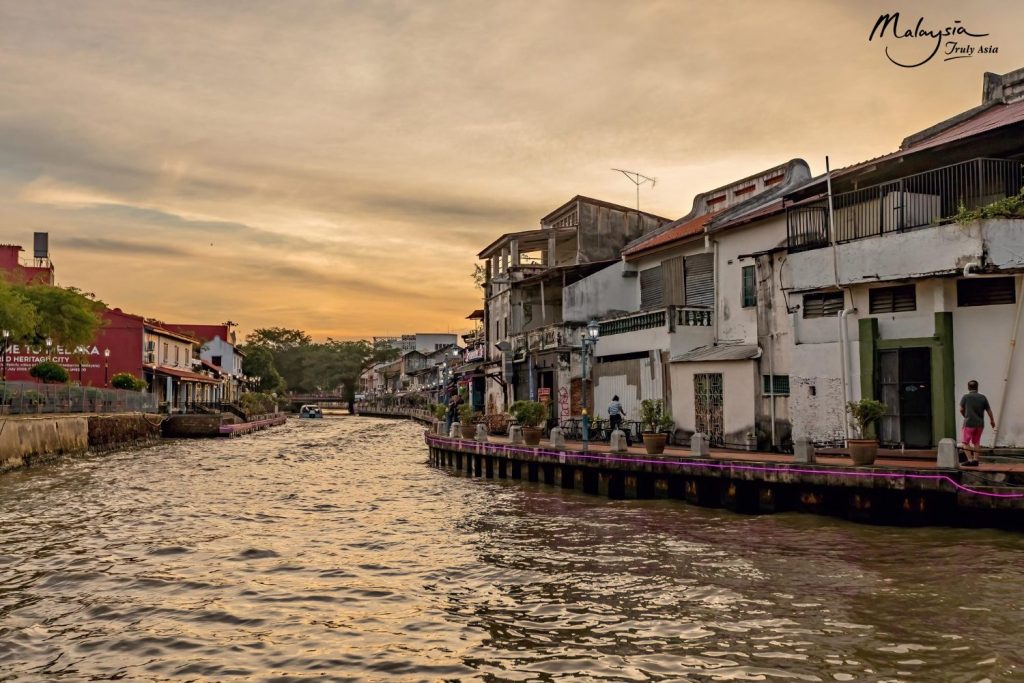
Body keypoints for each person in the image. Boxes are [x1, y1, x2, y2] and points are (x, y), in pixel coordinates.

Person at [959, 379, 995, 467]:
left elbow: (961, 409)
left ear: (968, 387)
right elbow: (989, 410)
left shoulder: (965, 397)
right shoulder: (982, 397)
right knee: (976, 442)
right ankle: (976, 460)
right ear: (977, 387)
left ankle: (970, 460)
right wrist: (992, 421)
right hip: (980, 424)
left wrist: (965, 416)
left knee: (965, 443)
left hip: (968, 423)